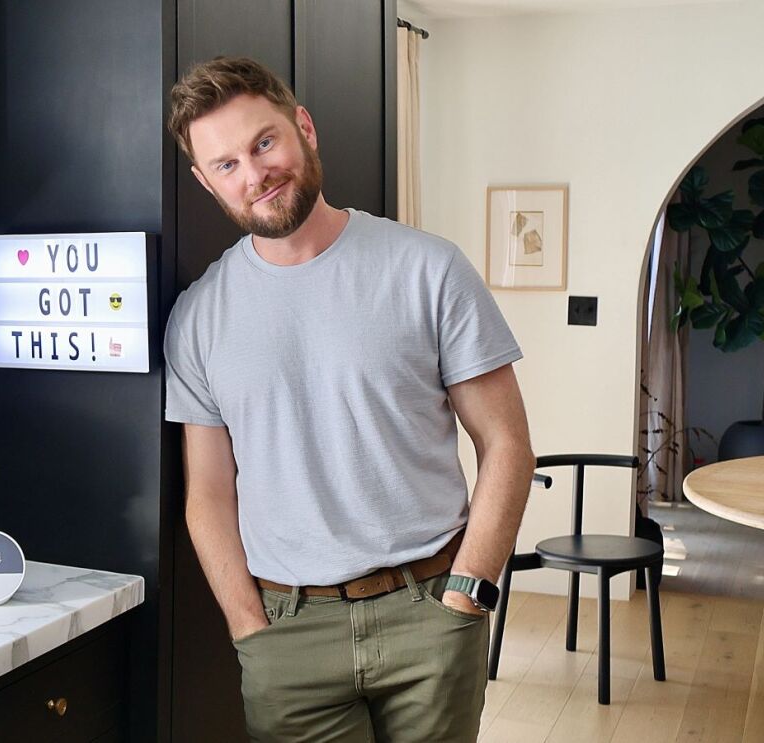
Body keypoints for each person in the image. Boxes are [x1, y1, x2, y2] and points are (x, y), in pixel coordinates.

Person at [163, 57, 536, 742]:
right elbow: (208, 493)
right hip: (288, 634)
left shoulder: (428, 268)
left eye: (264, 142)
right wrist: (248, 626)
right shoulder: (197, 318)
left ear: (303, 128)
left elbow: (506, 443)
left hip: (431, 612)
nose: (254, 174)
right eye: (227, 164)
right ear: (205, 180)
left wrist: (469, 593)